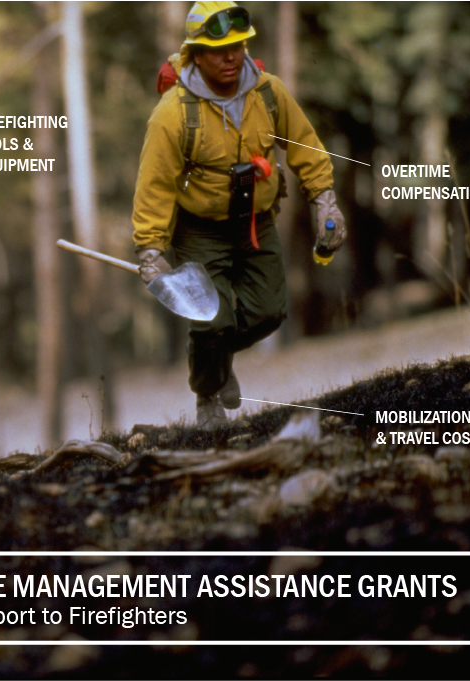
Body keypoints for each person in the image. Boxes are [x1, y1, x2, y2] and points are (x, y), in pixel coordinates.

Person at [132, 0, 345, 428]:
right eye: (218, 50)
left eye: (238, 45)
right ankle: (208, 393)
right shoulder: (172, 115)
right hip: (199, 228)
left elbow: (305, 145)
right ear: (195, 53)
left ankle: (212, 354)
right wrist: (151, 252)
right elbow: (154, 187)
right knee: (211, 319)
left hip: (256, 219)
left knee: (269, 312)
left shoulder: (269, 93)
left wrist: (325, 200)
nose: (231, 56)